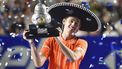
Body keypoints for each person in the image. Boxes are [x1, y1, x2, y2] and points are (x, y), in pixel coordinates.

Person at [23, 2, 101, 69]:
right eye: (71, 20)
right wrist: (31, 43)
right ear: (64, 21)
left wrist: (57, 37)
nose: (73, 24)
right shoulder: (50, 41)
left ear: (78, 28)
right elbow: (38, 63)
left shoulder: (82, 42)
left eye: (77, 23)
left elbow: (73, 57)